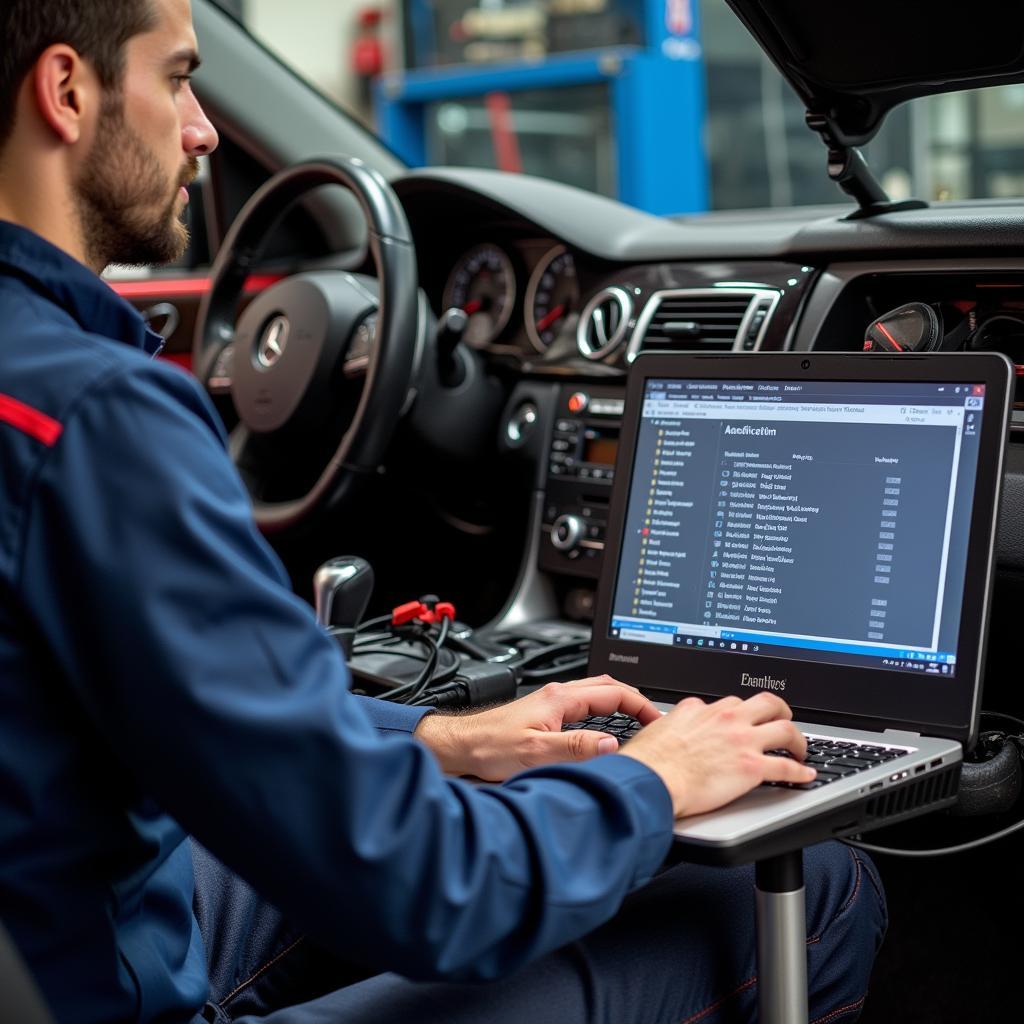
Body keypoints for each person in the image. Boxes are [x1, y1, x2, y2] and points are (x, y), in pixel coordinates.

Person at [0, 1, 886, 1021]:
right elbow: (427, 887)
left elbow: (188, 728)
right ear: (66, 92)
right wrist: (656, 778)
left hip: (59, 918)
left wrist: (438, 738)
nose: (200, 128)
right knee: (804, 891)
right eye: (177, 78)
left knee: (494, 795)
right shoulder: (96, 419)